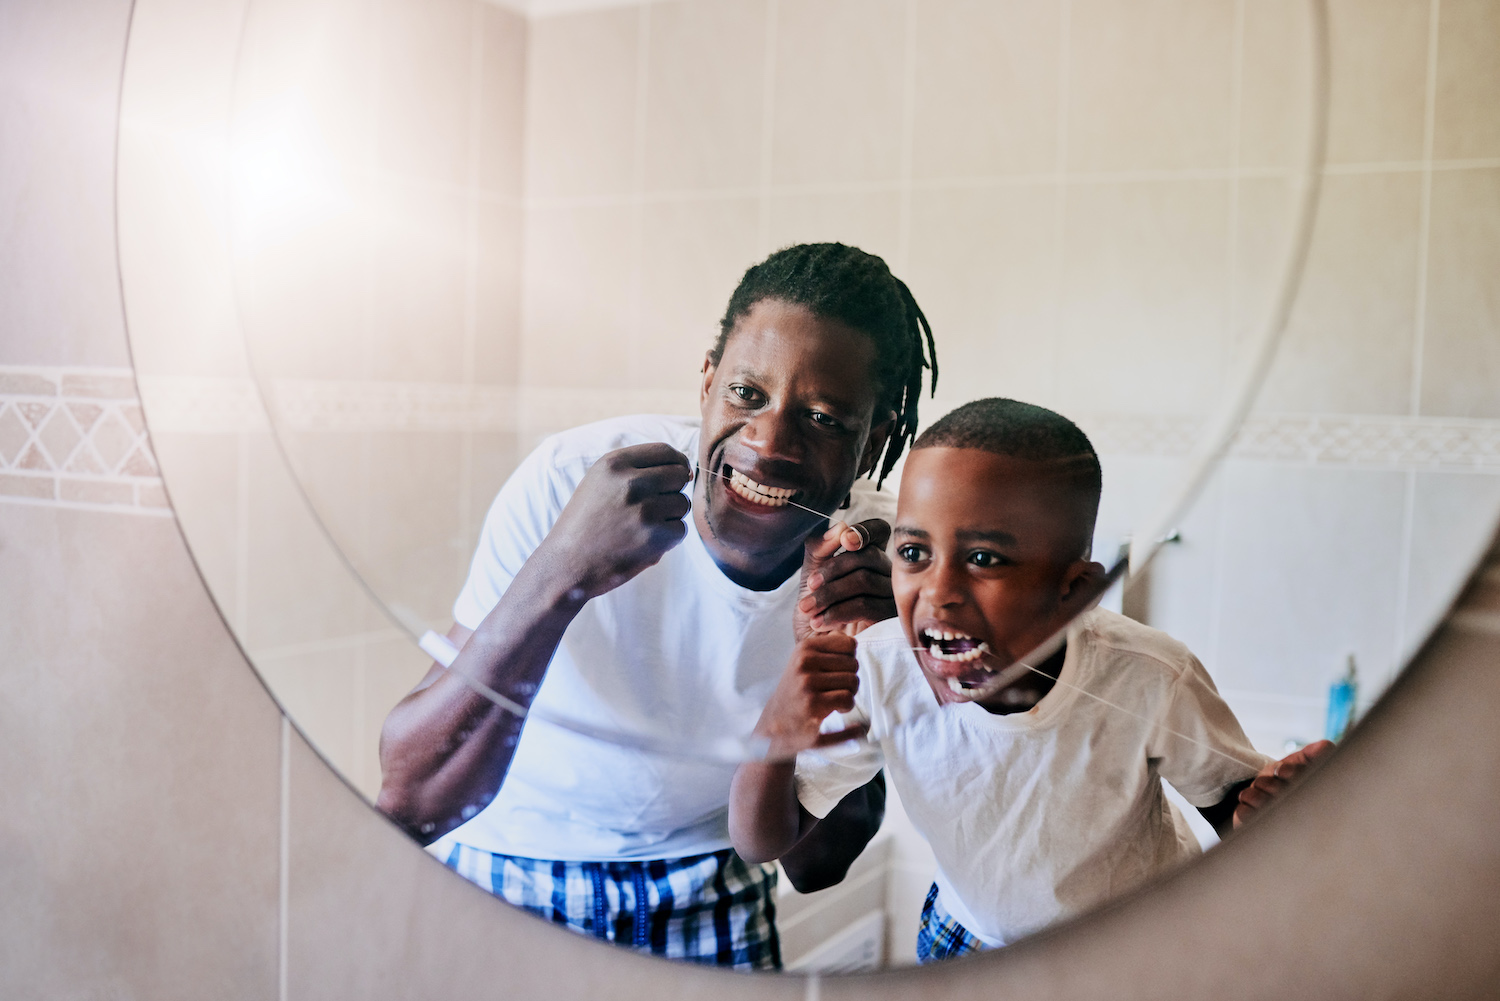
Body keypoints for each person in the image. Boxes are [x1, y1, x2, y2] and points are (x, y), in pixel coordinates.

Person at [376, 243, 938, 969]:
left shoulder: (880, 560)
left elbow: (816, 865)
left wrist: (867, 659)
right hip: (501, 864)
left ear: (877, 442)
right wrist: (564, 570)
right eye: (746, 393)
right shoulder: (569, 483)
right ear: (706, 385)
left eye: (826, 418)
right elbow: (410, 800)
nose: (769, 444)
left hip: (711, 884)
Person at [729, 398, 1335, 962]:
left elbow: (1230, 803)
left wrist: (1268, 815)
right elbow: (762, 842)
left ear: (1072, 594)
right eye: (915, 553)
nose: (938, 592)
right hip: (963, 937)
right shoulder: (882, 667)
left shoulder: (1148, 677)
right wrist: (776, 729)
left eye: (984, 559)